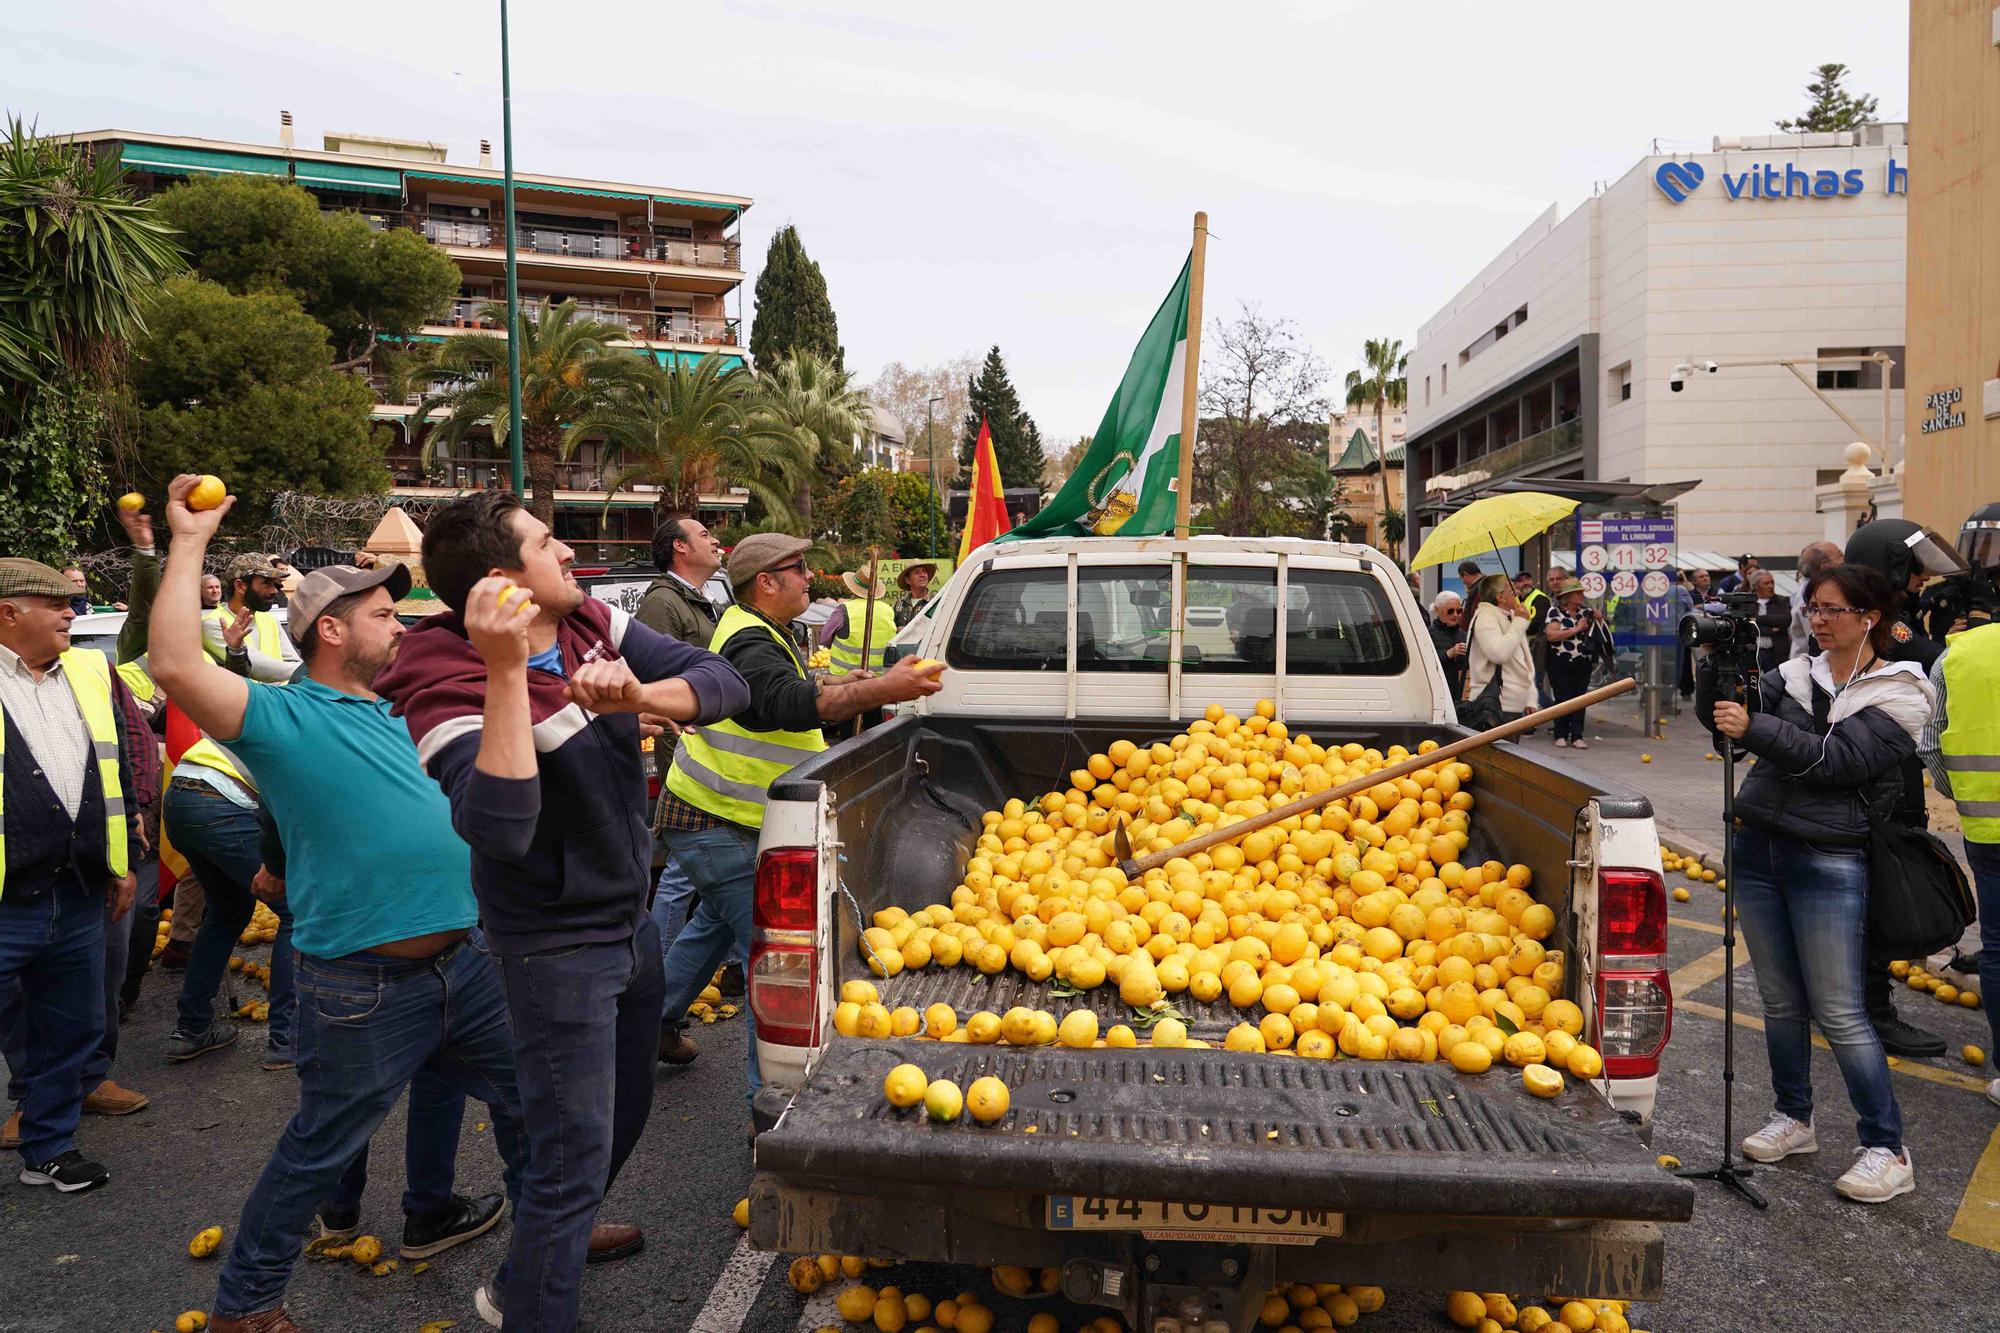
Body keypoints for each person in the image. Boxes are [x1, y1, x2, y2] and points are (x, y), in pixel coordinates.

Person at [147, 476, 525, 1333]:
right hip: (363, 987)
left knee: (532, 1103)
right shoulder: (280, 717)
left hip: (465, 966)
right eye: (384, 615)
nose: (401, 624)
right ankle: (246, 1306)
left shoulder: (405, 708)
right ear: (331, 628)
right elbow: (173, 663)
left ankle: (551, 1242)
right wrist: (188, 540)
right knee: (318, 1150)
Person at [376, 491, 749, 1332]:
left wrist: (641, 694)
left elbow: (724, 680)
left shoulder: (589, 621)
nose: (571, 555)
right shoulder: (441, 674)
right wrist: (508, 669)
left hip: (629, 920)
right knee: (569, 1155)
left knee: (620, 1119)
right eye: (550, 544)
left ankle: (535, 1260)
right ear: (504, 579)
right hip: (551, 946)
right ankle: (535, 1294)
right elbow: (501, 826)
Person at [657, 534, 943, 1112]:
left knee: (715, 924)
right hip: (716, 820)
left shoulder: (760, 629)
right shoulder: (748, 641)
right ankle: (770, 1108)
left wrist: (858, 681)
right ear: (767, 581)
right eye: (799, 568)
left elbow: (802, 687)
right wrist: (885, 688)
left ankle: (648, 1027)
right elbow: (786, 703)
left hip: (729, 818)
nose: (810, 577)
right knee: (776, 959)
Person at [1716, 564, 1929, 1203]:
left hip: (1830, 859)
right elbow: (1735, 729)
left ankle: (1888, 1148)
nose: (1818, 619)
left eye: (1832, 609)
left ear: (1869, 618)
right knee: (1779, 1002)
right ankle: (1794, 1118)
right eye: (1812, 608)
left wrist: (1756, 727)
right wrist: (1720, 678)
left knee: (1839, 1010)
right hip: (1757, 848)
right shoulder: (1794, 674)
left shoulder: (1902, 689)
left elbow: (1839, 762)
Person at [0, 559, 141, 1195]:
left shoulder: (87, 670)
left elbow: (116, 771)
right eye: (54, 605)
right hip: (8, 899)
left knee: (71, 1025)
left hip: (79, 887)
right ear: (8, 613)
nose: (71, 614)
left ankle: (49, 1148)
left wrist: (122, 860)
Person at [1845, 519, 1958, 1057]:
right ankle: (1870, 1011)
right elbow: (1934, 663)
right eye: (1912, 569)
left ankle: (1860, 1004)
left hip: (1890, 775)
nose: (1920, 579)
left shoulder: (1890, 618)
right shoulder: (1879, 627)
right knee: (1880, 896)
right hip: (1881, 785)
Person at [633, 514, 728, 1067]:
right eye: (705, 535)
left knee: (682, 876)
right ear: (678, 548)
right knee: (675, 874)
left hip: (709, 757)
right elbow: (658, 680)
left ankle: (660, 994)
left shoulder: (697, 598)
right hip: (686, 760)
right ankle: (657, 986)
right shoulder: (663, 604)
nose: (716, 542)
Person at [203, 554, 299, 683]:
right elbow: (254, 665)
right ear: (240, 586)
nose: (274, 591)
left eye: (274, 584)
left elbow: (292, 660)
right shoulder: (214, 623)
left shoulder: (270, 619)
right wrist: (309, 672)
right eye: (266, 583)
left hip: (280, 700)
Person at [1464, 573, 1537, 722]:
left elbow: (1522, 660)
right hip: (1493, 704)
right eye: (1512, 591)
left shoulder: (1510, 615)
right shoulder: (1486, 617)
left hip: (1511, 704)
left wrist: (1530, 696)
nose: (1517, 593)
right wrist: (1520, 622)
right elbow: (1498, 653)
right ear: (1500, 597)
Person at [1543, 582, 1601, 748]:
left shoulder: (1586, 612)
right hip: (1560, 662)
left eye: (1582, 592)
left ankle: (1577, 735)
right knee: (1562, 697)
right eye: (1577, 593)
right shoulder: (1554, 612)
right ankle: (1560, 733)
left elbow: (1598, 633)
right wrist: (1575, 629)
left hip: (1582, 661)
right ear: (1567, 597)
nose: (1581, 595)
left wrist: (1599, 619)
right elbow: (1551, 635)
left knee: (1580, 698)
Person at [821, 567, 898, 677]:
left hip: (845, 677)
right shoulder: (888, 609)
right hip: (880, 676)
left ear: (852, 588)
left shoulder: (844, 609)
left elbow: (824, 638)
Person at [1788, 541, 1843, 660]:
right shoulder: (1808, 594)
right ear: (1825, 566)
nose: (1844, 558)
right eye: (1840, 554)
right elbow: (1817, 639)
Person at [1427, 591, 1468, 702]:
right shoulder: (1428, 634)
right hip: (1437, 693)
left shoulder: (1462, 634)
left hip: (1460, 694)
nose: (1455, 615)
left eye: (1459, 611)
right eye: (1450, 611)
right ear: (1437, 611)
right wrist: (1448, 654)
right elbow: (1426, 664)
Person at [1751, 570, 1790, 675]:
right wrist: (1770, 629)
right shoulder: (1749, 603)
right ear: (1756, 586)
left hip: (1776, 653)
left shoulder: (1782, 601)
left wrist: (1758, 619)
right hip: (1753, 653)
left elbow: (1785, 620)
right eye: (1766, 583)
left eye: (1772, 582)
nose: (1771, 586)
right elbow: (1748, 627)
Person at [893, 562, 939, 629]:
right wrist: (898, 629)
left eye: (924, 571)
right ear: (908, 580)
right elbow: (891, 628)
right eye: (916, 572)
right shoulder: (899, 604)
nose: (922, 575)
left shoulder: (936, 602)